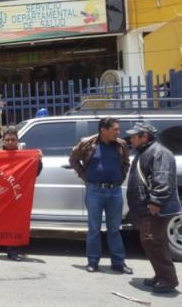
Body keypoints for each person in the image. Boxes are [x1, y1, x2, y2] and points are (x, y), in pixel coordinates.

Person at [69, 117, 132, 274]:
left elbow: (126, 163)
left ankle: (118, 262)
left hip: (115, 191)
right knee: (94, 229)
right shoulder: (87, 143)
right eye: (115, 129)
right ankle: (93, 261)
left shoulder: (121, 144)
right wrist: (85, 177)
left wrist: (119, 179)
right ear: (103, 130)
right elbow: (73, 159)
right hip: (94, 191)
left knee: (114, 229)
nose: (119, 132)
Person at [126, 122, 182, 294]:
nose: (131, 139)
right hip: (147, 207)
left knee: (152, 241)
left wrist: (155, 202)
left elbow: (162, 179)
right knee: (155, 241)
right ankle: (161, 275)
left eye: (135, 136)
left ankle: (168, 279)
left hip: (155, 208)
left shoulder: (159, 153)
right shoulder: (146, 152)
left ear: (144, 136)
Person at [0, 127, 42, 261]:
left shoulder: (25, 156)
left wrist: (38, 161)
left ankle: (13, 252)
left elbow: (35, 173)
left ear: (17, 141)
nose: (10, 142)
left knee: (13, 223)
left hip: (15, 197)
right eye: (7, 140)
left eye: (13, 140)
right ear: (3, 141)